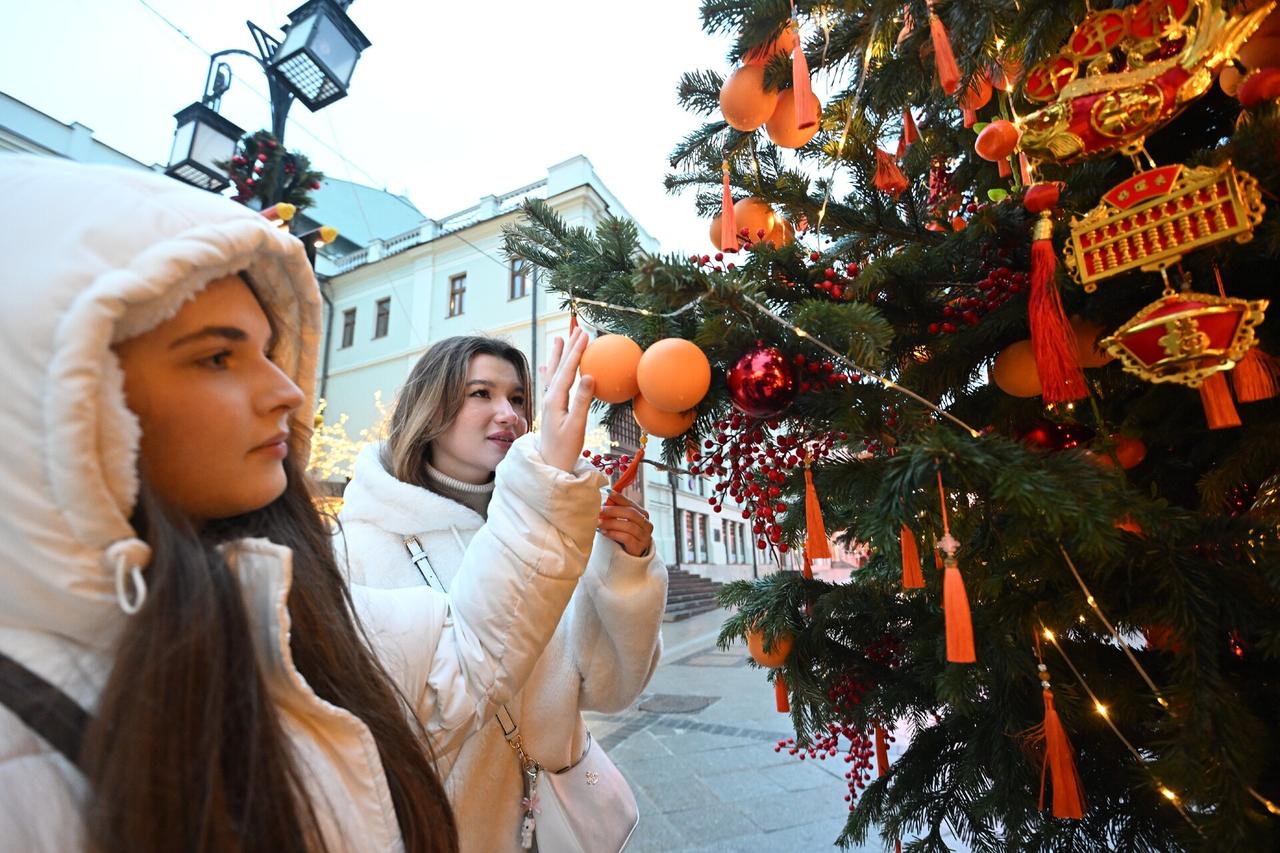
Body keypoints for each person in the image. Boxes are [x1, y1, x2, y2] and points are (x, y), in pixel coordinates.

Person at [0, 156, 606, 853]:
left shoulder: (284, 600)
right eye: (218, 357)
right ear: (68, 394)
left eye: (268, 349)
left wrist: (575, 506)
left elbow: (470, 662)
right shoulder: (21, 756)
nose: (288, 391)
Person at [339, 335, 668, 853]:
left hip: (561, 822)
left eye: (518, 399)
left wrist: (625, 569)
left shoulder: (552, 529)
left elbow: (608, 690)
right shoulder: (358, 545)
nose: (508, 414)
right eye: (481, 393)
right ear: (430, 404)